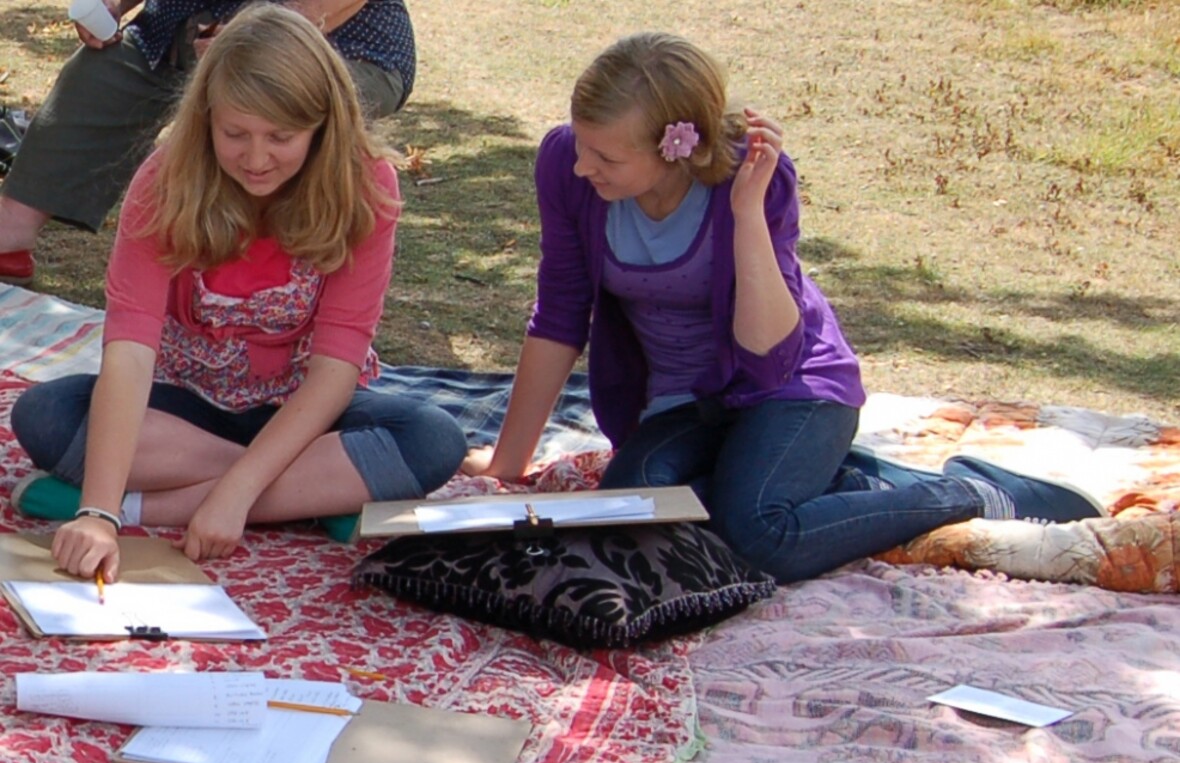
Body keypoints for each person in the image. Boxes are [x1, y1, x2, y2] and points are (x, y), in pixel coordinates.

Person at [462, 32, 1104, 585]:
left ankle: (971, 492)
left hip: (792, 387)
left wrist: (746, 213)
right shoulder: (563, 165)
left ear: (674, 148)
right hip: (684, 402)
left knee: (761, 536)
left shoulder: (753, 176)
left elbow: (770, 349)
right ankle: (846, 484)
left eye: (605, 156)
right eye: (581, 143)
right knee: (637, 517)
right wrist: (509, 465)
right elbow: (560, 313)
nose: (581, 165)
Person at [9, 4, 466, 581]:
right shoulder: (166, 179)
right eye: (235, 134)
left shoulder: (365, 184)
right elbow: (129, 347)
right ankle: (314, 496)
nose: (256, 158)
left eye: (281, 137)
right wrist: (96, 510)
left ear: (323, 126)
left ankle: (152, 505)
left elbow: (336, 367)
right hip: (187, 405)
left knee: (433, 439)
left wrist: (233, 493)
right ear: (206, 120)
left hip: (303, 409)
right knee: (47, 414)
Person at [0, 0, 416, 286]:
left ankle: (255, 280)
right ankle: (13, 230)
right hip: (191, 24)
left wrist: (254, 44)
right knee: (103, 72)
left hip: (333, 40)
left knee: (258, 108)